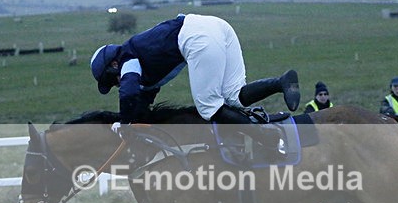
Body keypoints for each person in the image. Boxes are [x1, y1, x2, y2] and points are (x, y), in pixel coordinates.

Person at [90, 14, 299, 133]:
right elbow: (143, 99)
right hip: (217, 26)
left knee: (208, 108)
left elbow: (128, 92)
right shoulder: (141, 64)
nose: (117, 83)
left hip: (196, 37)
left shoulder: (127, 57)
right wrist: (134, 120)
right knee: (234, 96)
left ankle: (264, 136)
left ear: (114, 64)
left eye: (112, 80)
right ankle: (281, 83)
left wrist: (124, 123)